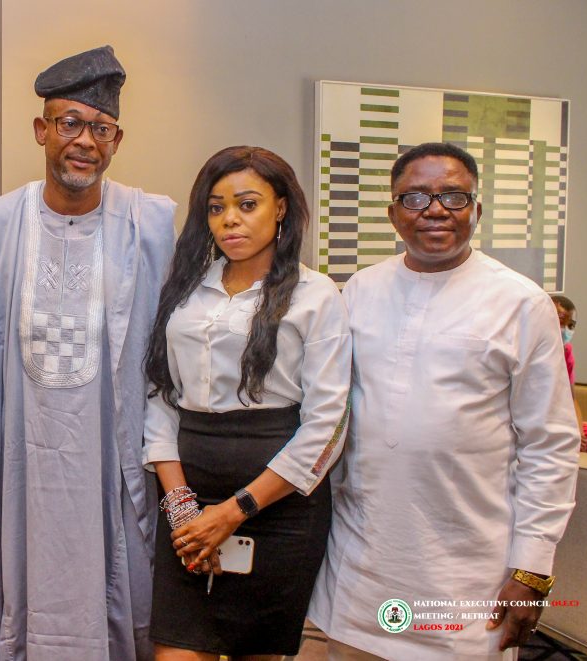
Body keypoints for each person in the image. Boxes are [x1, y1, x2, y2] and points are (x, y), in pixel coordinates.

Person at [0, 46, 176, 660]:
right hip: (21, 457)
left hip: (112, 463)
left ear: (116, 140)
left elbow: (169, 355)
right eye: (69, 123)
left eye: (100, 128)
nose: (84, 141)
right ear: (42, 130)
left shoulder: (153, 222)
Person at [308, 142, 580, 660]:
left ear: (476, 209)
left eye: (453, 196)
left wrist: (533, 569)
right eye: (414, 198)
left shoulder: (522, 304)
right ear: (393, 213)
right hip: (360, 571)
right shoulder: (359, 291)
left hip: (469, 576)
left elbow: (550, 445)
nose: (434, 209)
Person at [142, 146, 351, 660]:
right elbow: (162, 398)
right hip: (188, 507)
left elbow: (327, 423)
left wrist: (236, 510)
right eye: (216, 207)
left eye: (247, 203)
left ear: (281, 208)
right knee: (176, 650)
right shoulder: (185, 292)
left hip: (277, 505)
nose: (230, 219)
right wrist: (181, 507)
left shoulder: (316, 295)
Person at [552, 295, 587, 453]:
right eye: (561, 324)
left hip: (560, 417)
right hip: (536, 421)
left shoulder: (566, 353)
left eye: (571, 326)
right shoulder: (526, 350)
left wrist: (579, 432)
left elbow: (572, 399)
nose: (566, 330)